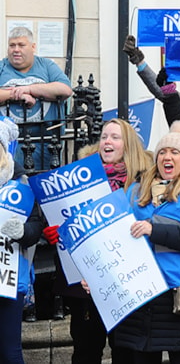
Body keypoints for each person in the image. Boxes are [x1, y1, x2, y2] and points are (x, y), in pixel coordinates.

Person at [43, 118, 154, 364]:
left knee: (125, 350)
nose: (107, 141)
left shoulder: (144, 180)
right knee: (86, 349)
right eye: (104, 136)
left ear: (128, 145)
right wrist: (56, 231)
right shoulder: (79, 178)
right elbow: (66, 216)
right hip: (85, 281)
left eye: (115, 137)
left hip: (126, 279)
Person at [114, 120, 180, 363]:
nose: (167, 157)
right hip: (141, 292)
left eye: (175, 152)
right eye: (162, 152)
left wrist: (154, 229)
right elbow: (114, 237)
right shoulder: (133, 192)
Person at [0, 116, 43, 363]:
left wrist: (23, 232)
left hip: (9, 278)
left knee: (9, 350)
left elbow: (36, 227)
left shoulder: (21, 182)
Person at [0, 26, 73, 169]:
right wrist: (16, 95)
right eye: (12, 45)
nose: (16, 49)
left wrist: (30, 89)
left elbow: (65, 89)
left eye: (21, 45)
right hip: (7, 145)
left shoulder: (46, 66)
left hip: (45, 142)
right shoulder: (2, 66)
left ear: (33, 47)